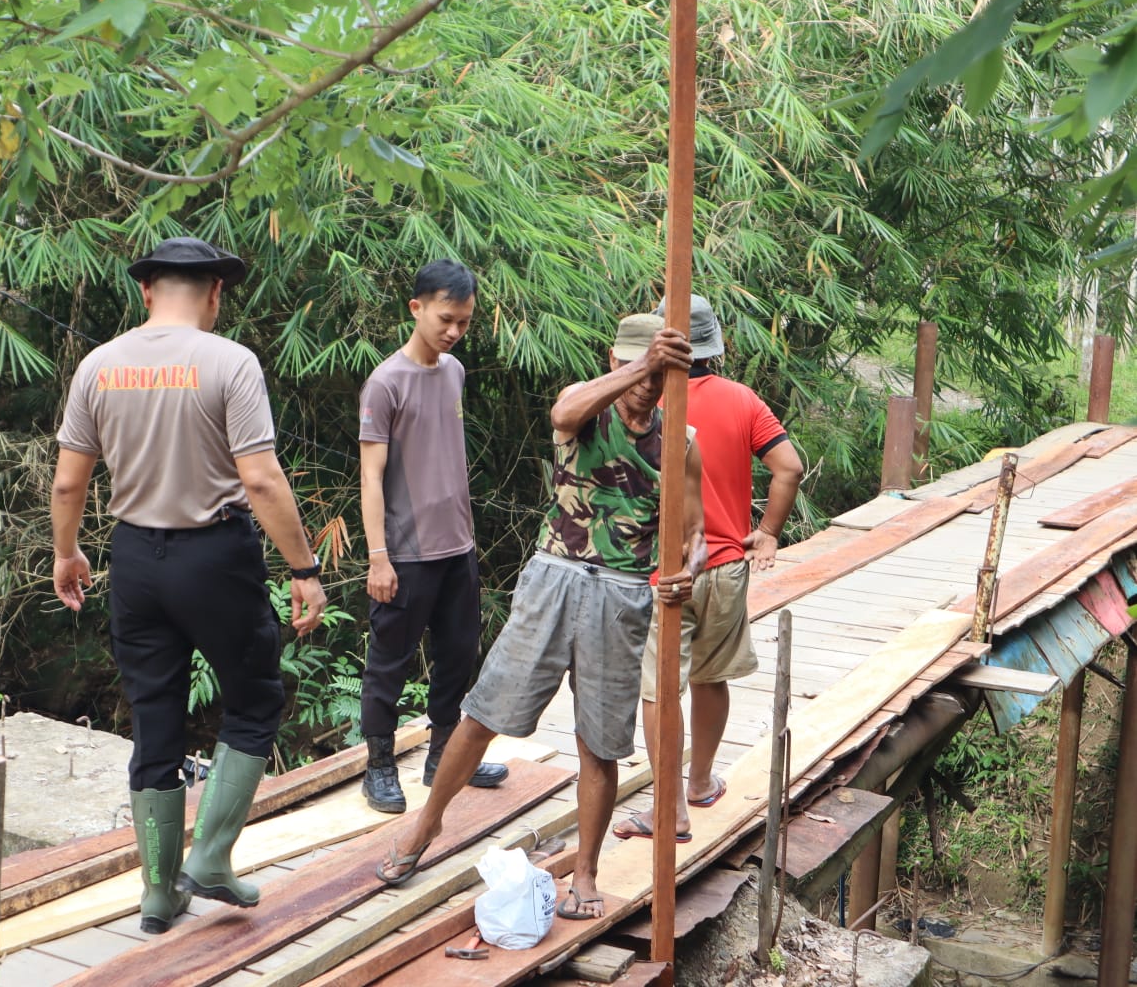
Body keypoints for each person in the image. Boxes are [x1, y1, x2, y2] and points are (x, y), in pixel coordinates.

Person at [375, 314, 705, 921]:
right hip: (555, 575)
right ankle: (426, 825)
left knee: (599, 743)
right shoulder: (586, 410)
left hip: (624, 593)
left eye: (662, 374)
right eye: (640, 368)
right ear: (618, 359)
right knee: (482, 714)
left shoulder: (679, 440)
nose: (649, 385)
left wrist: (689, 566)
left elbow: (693, 533)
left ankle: (585, 868)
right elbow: (560, 415)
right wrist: (645, 361)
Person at [51, 236, 328, 934]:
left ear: (146, 291)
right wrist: (304, 569)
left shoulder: (99, 366)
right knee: (256, 695)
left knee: (155, 720)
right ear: (214, 293)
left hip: (136, 560)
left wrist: (66, 553)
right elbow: (260, 478)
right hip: (215, 557)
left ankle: (155, 893)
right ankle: (208, 859)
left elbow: (68, 479)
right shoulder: (229, 362)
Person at [614, 294, 803, 842]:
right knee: (710, 675)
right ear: (712, 347)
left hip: (661, 573)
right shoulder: (742, 400)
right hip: (723, 564)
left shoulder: (641, 399)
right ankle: (699, 781)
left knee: (659, 687)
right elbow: (788, 466)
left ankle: (668, 807)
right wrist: (765, 532)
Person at [357, 259, 508, 814]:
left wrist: (467, 542)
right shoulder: (385, 382)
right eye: (446, 319)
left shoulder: (454, 372)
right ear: (416, 308)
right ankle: (377, 766)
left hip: (456, 547)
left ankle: (443, 758)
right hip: (405, 551)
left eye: (464, 323)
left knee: (458, 654)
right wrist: (379, 557)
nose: (453, 332)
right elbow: (371, 476)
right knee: (389, 661)